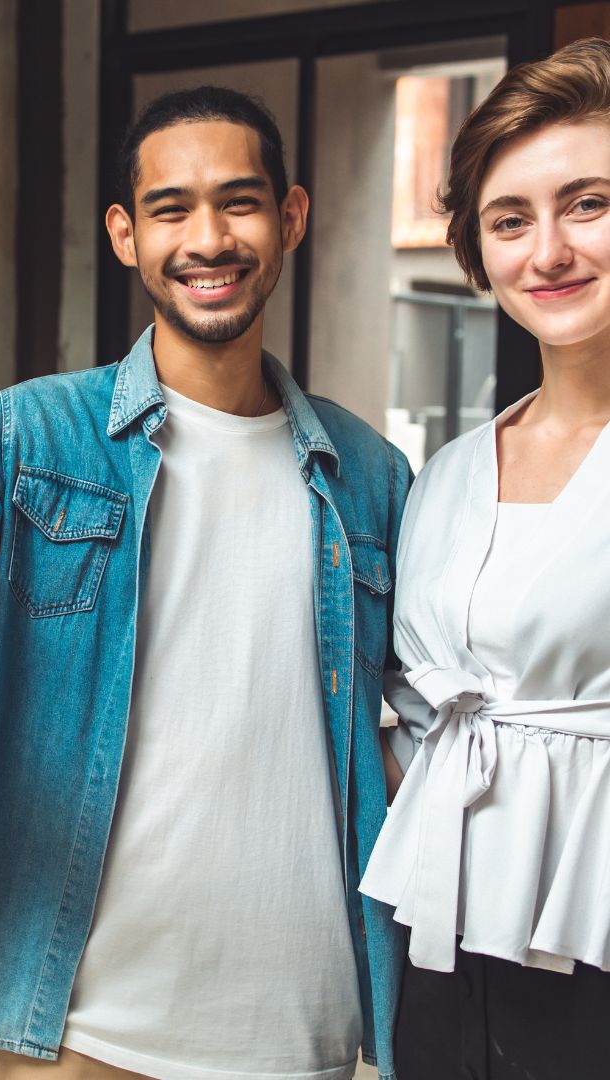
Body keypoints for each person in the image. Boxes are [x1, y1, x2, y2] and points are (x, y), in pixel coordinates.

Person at [0, 86, 410, 1080]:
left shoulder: (372, 475)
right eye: (171, 209)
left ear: (292, 217)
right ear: (126, 235)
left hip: (301, 1013)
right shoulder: (28, 437)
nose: (207, 238)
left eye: (240, 202)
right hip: (85, 1021)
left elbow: (412, 729)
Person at [360, 37, 610, 1080]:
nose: (547, 251)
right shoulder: (451, 471)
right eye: (511, 220)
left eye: (589, 203)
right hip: (447, 942)